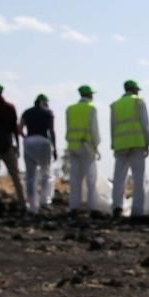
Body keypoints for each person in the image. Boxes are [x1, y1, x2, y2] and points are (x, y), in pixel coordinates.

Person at [110, 80, 149, 217]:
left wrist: (113, 144)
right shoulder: (139, 102)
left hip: (120, 145)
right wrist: (148, 142)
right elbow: (145, 124)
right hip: (137, 143)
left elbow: (112, 127)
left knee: (118, 178)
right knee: (138, 179)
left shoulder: (115, 105)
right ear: (134, 90)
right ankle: (137, 211)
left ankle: (117, 207)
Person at [65, 85, 101, 214]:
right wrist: (96, 146)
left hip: (72, 146)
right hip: (86, 147)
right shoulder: (91, 108)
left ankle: (74, 207)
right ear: (90, 95)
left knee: (75, 179)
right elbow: (94, 130)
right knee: (91, 179)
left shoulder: (70, 109)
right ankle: (92, 207)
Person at [20, 93, 57, 212]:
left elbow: (19, 128)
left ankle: (32, 205)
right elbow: (51, 130)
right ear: (44, 102)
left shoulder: (27, 112)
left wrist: (25, 137)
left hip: (29, 141)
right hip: (43, 142)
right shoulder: (48, 112)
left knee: (30, 176)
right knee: (46, 174)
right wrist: (54, 148)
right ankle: (44, 201)